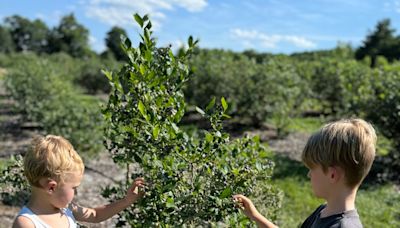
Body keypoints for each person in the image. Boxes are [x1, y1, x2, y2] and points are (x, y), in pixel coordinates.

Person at [233, 118, 377, 228]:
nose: (309, 175)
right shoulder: (323, 212)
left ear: (332, 175)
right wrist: (255, 216)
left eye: (312, 168)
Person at [12, 135, 146, 228]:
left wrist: (127, 201)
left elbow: (95, 215)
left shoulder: (66, 208)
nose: (76, 192)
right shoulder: (27, 223)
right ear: (51, 187)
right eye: (74, 187)